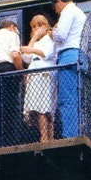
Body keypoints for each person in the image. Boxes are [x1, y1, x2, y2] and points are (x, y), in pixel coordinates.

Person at [51, 0, 87, 138]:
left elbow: (61, 34)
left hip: (69, 56)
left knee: (67, 99)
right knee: (78, 98)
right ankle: (79, 132)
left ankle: (70, 136)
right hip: (81, 56)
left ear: (59, 2)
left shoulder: (67, 11)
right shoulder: (82, 14)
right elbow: (90, 41)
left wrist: (51, 33)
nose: (57, 11)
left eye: (55, 8)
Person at [21, 14, 57, 142]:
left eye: (40, 25)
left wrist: (31, 49)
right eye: (34, 27)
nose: (37, 28)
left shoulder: (51, 38)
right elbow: (25, 58)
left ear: (46, 26)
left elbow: (48, 54)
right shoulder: (35, 42)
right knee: (37, 108)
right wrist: (33, 40)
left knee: (45, 108)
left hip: (45, 76)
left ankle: (47, 137)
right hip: (34, 77)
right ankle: (45, 136)